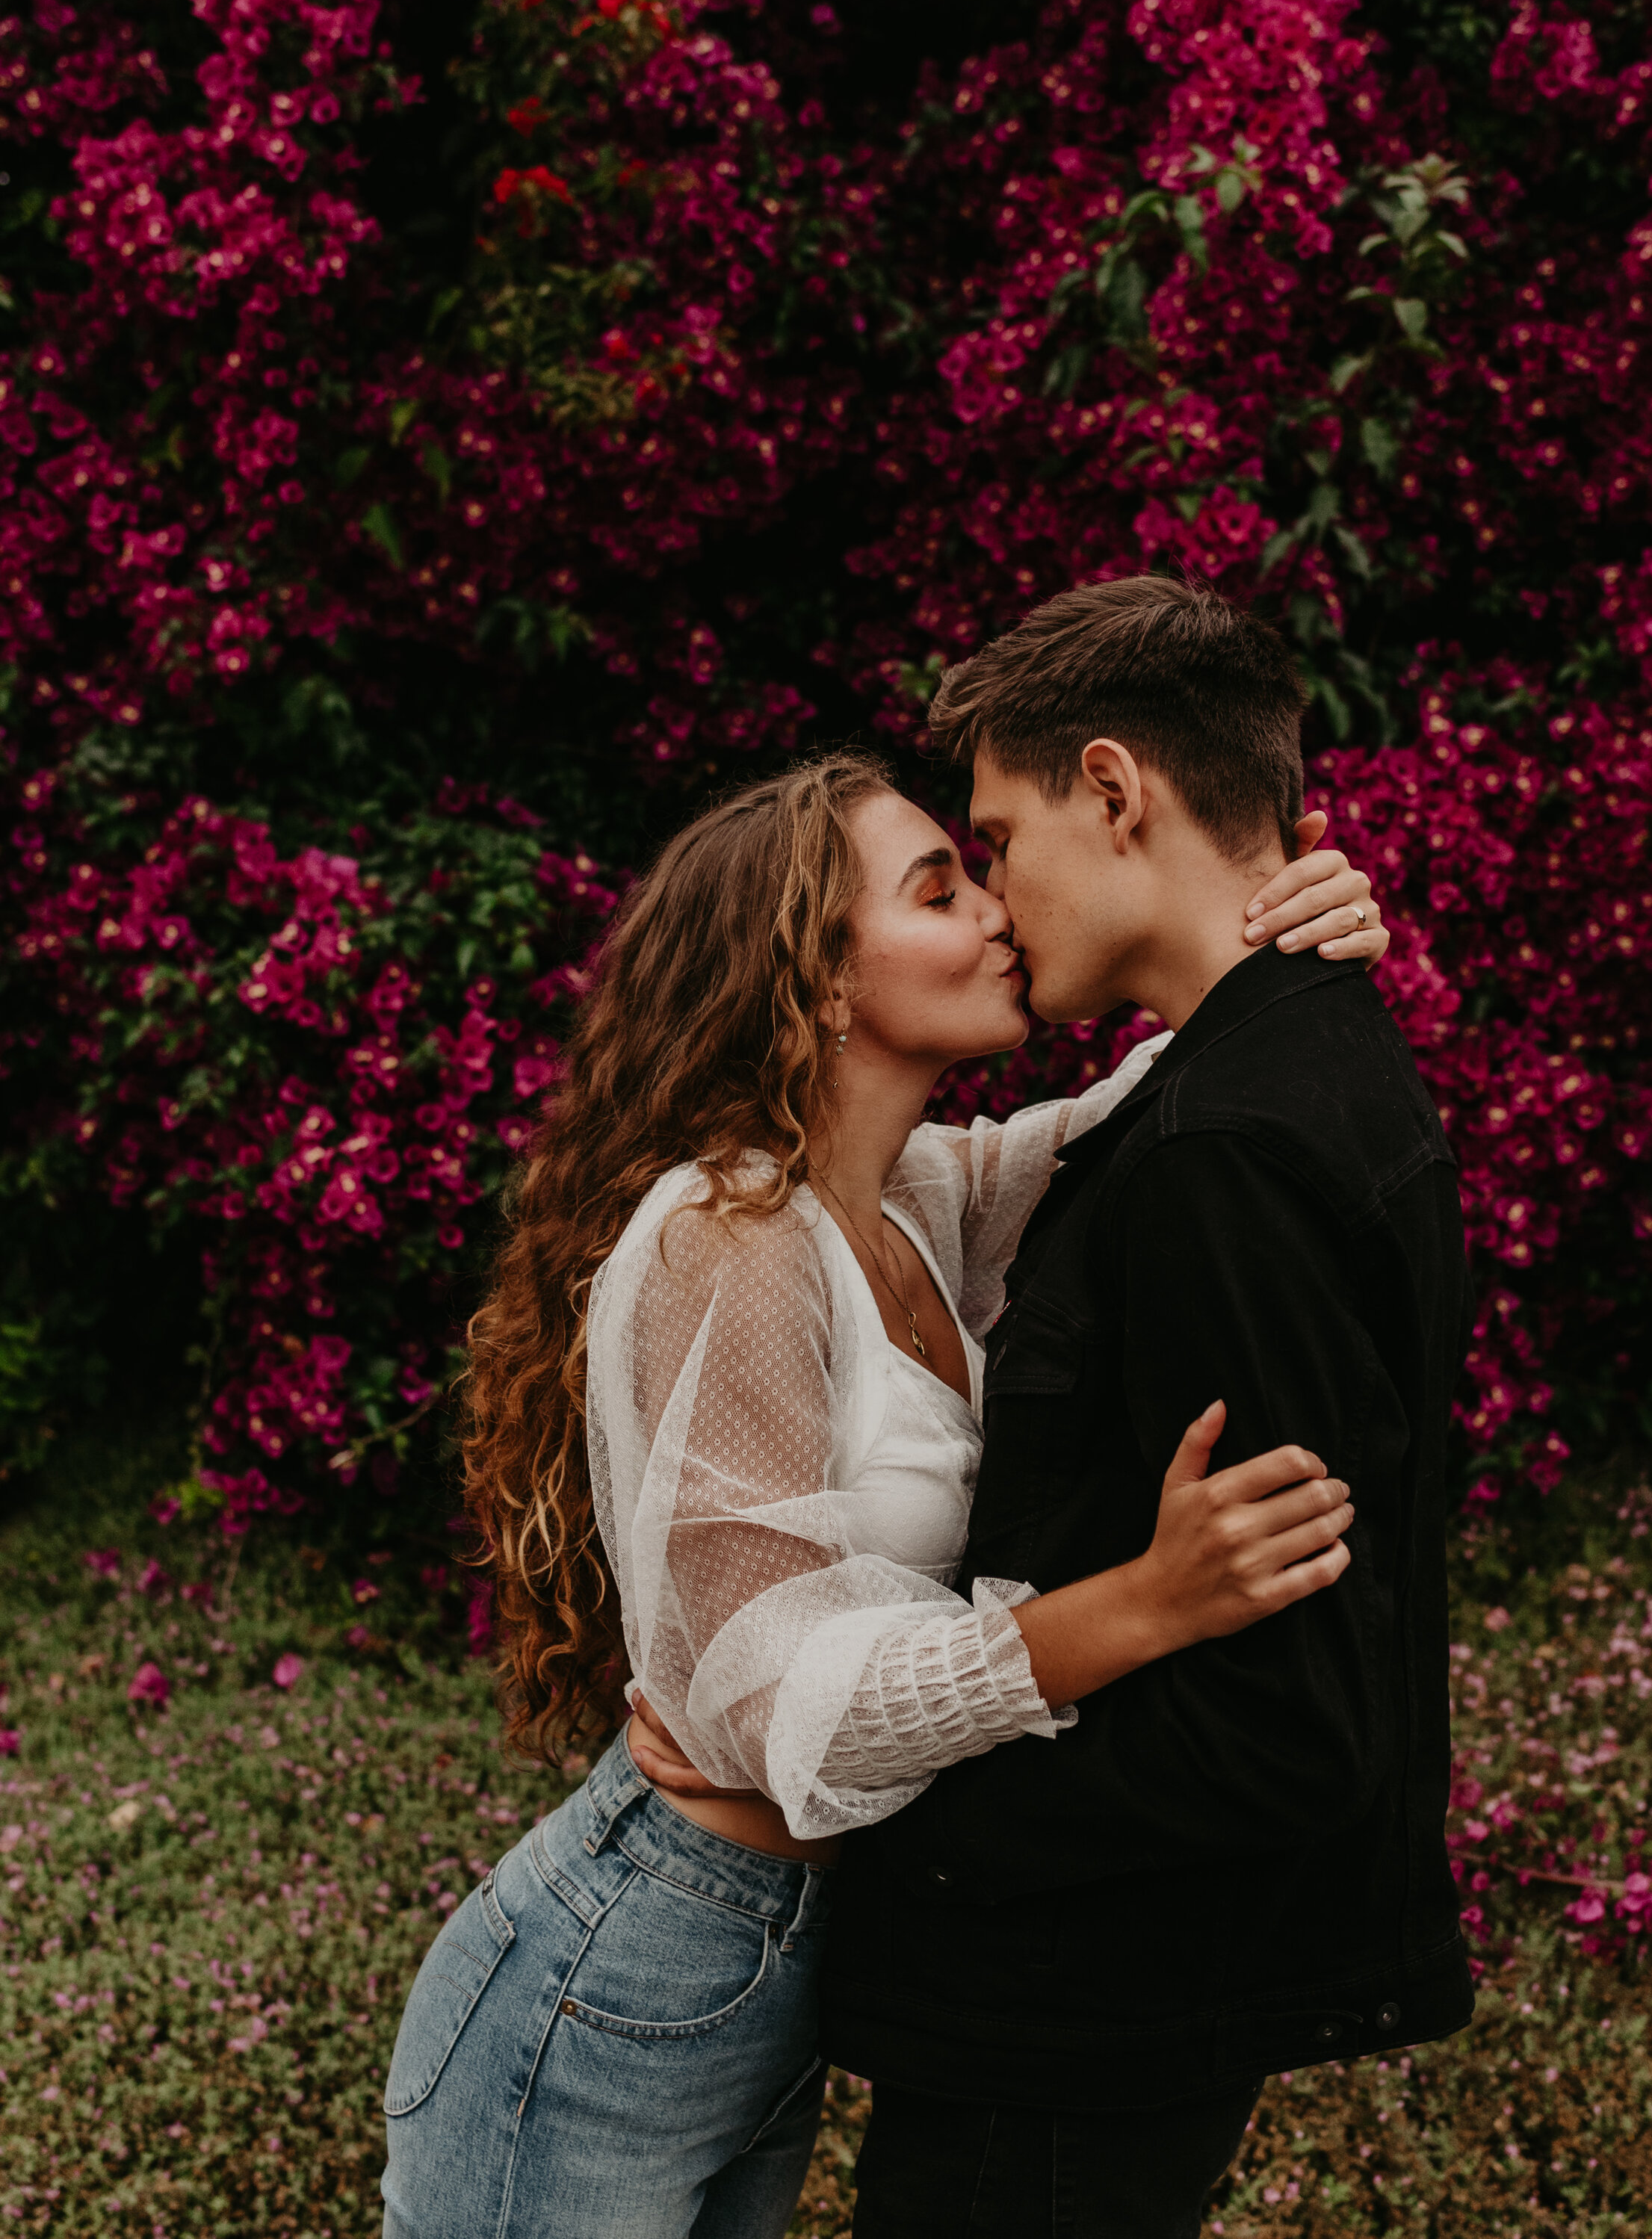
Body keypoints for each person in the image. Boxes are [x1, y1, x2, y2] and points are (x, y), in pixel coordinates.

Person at [377, 729, 1390, 2239]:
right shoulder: (725, 1235)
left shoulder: (914, 1201)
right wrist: (1138, 1607)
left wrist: (1283, 917)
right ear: (818, 974)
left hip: (774, 1961)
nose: (993, 907)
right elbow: (775, 1706)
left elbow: (1148, 1097)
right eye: (938, 887)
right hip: (622, 1964)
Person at [797, 577, 1476, 2237]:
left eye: (998, 837)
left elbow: (1285, 1716)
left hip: (1071, 2020)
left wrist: (913, 1830)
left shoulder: (1226, 1151)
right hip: (1101, 2000)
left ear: (1113, 790)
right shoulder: (1268, 1063)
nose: (1000, 903)